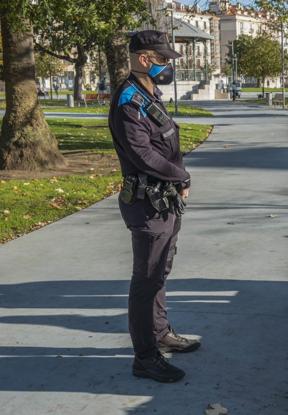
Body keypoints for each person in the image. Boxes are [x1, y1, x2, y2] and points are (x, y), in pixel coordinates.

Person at [108, 30, 200, 384]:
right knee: (145, 280)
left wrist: (177, 181)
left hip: (165, 201)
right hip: (148, 204)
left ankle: (161, 333)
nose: (168, 66)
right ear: (145, 59)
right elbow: (143, 155)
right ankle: (145, 357)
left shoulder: (150, 95)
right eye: (164, 60)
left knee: (160, 271)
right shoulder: (129, 101)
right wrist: (182, 176)